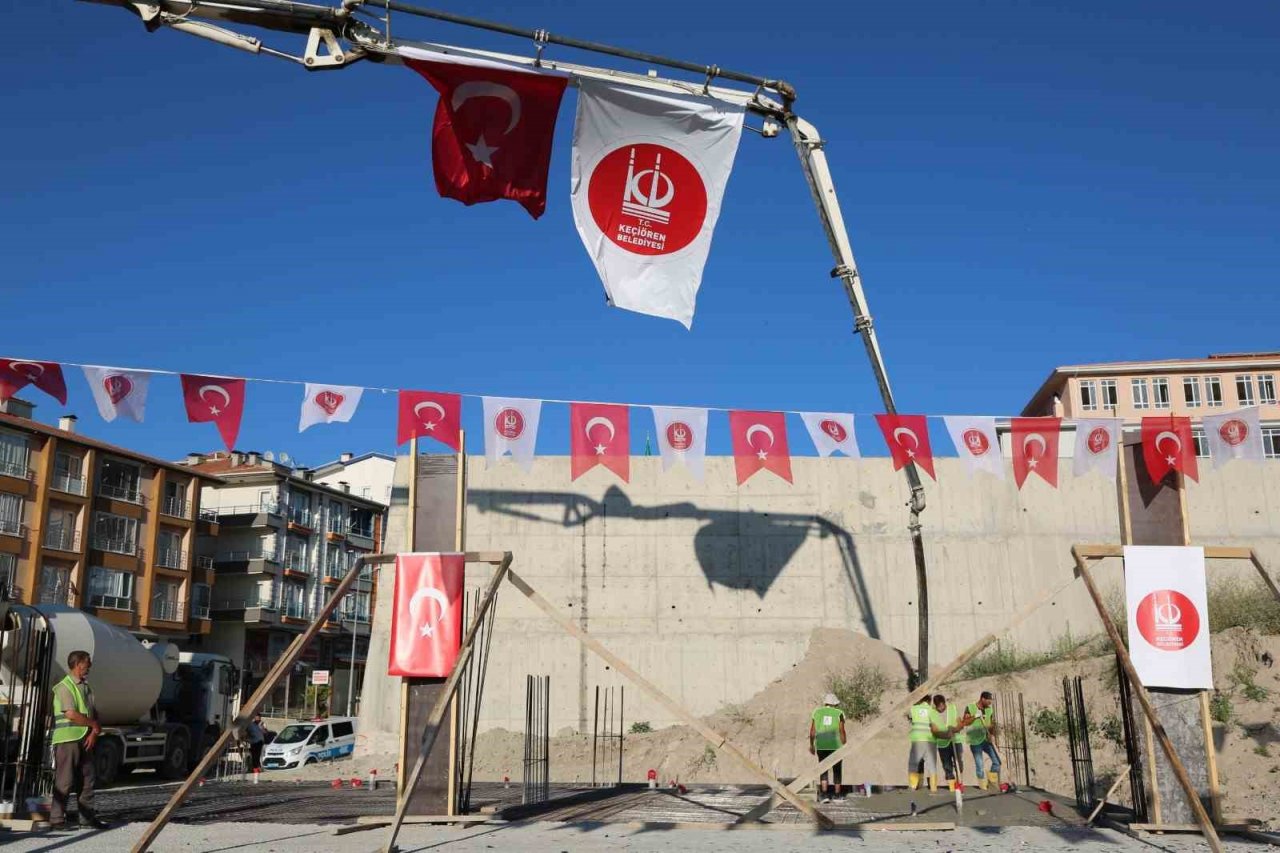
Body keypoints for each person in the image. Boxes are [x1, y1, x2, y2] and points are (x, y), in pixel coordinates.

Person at [50, 650, 107, 829]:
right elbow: (71, 714)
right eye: (87, 662)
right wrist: (93, 726)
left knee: (88, 780)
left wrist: (93, 732)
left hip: (85, 738)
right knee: (65, 781)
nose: (89, 666)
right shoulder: (64, 686)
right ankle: (57, 820)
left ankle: (87, 818)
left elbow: (93, 714)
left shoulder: (86, 687)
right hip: (67, 739)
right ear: (77, 664)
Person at [808, 693, 847, 802]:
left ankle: (824, 795)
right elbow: (842, 731)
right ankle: (837, 795)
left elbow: (812, 731)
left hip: (821, 744)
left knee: (823, 769)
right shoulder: (839, 713)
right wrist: (844, 744)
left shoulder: (817, 712)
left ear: (825, 702)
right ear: (835, 703)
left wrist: (812, 745)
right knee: (837, 769)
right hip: (835, 745)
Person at [964, 691, 1002, 790]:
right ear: (982, 699)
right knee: (980, 765)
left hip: (986, 740)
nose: (990, 703)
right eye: (988, 701)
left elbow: (991, 724)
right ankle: (982, 786)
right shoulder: (970, 707)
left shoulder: (989, 710)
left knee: (997, 761)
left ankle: (992, 783)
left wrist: (992, 734)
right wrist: (975, 716)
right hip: (975, 740)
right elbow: (965, 722)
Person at [929, 693, 963, 792]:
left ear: (944, 703)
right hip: (943, 744)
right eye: (939, 707)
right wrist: (946, 735)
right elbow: (934, 731)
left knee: (959, 763)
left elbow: (960, 724)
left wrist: (955, 729)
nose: (941, 708)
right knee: (947, 765)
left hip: (955, 740)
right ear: (935, 706)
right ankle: (952, 787)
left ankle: (960, 782)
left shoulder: (952, 708)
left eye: (942, 705)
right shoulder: (932, 713)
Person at [906, 695, 938, 792]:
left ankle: (913, 786)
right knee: (932, 765)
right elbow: (936, 725)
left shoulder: (913, 708)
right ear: (929, 701)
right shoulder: (932, 710)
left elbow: (908, 715)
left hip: (917, 740)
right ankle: (933, 788)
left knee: (913, 763)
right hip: (930, 740)